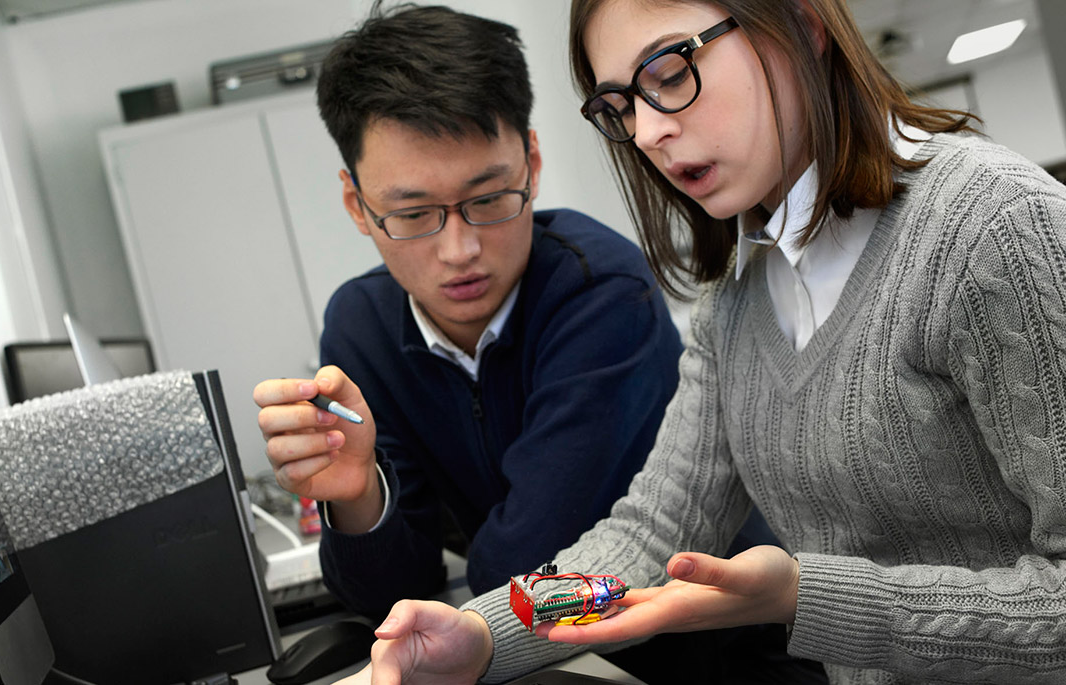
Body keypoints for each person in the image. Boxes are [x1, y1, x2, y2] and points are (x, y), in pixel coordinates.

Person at [358, 0, 1066, 683]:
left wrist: (804, 595)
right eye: (622, 106)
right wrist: (482, 635)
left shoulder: (994, 224)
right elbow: (647, 536)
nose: (646, 132)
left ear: (801, 26)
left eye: (669, 73)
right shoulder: (739, 295)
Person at [252, 3, 691, 621]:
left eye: (488, 199)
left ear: (532, 165)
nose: (460, 251)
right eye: (412, 215)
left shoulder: (603, 293)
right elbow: (390, 598)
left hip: (699, 650)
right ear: (357, 204)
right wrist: (358, 496)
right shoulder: (363, 325)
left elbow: (529, 569)